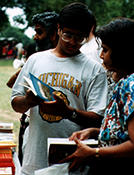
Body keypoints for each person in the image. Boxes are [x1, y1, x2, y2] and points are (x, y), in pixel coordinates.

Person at [60, 17, 134, 175]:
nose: (101, 56)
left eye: (106, 50)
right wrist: (96, 132)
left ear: (123, 52)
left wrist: (94, 152)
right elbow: (131, 130)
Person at [11, 2, 108, 175]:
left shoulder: (95, 69)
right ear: (58, 29)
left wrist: (67, 112)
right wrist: (28, 101)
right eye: (67, 35)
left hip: (70, 162)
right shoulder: (35, 60)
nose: (72, 42)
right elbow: (15, 103)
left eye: (80, 38)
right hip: (34, 158)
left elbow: (98, 119)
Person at [7, 11, 60, 165]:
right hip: (31, 127)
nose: (35, 37)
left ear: (54, 34)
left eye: (39, 32)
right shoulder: (36, 58)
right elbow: (11, 84)